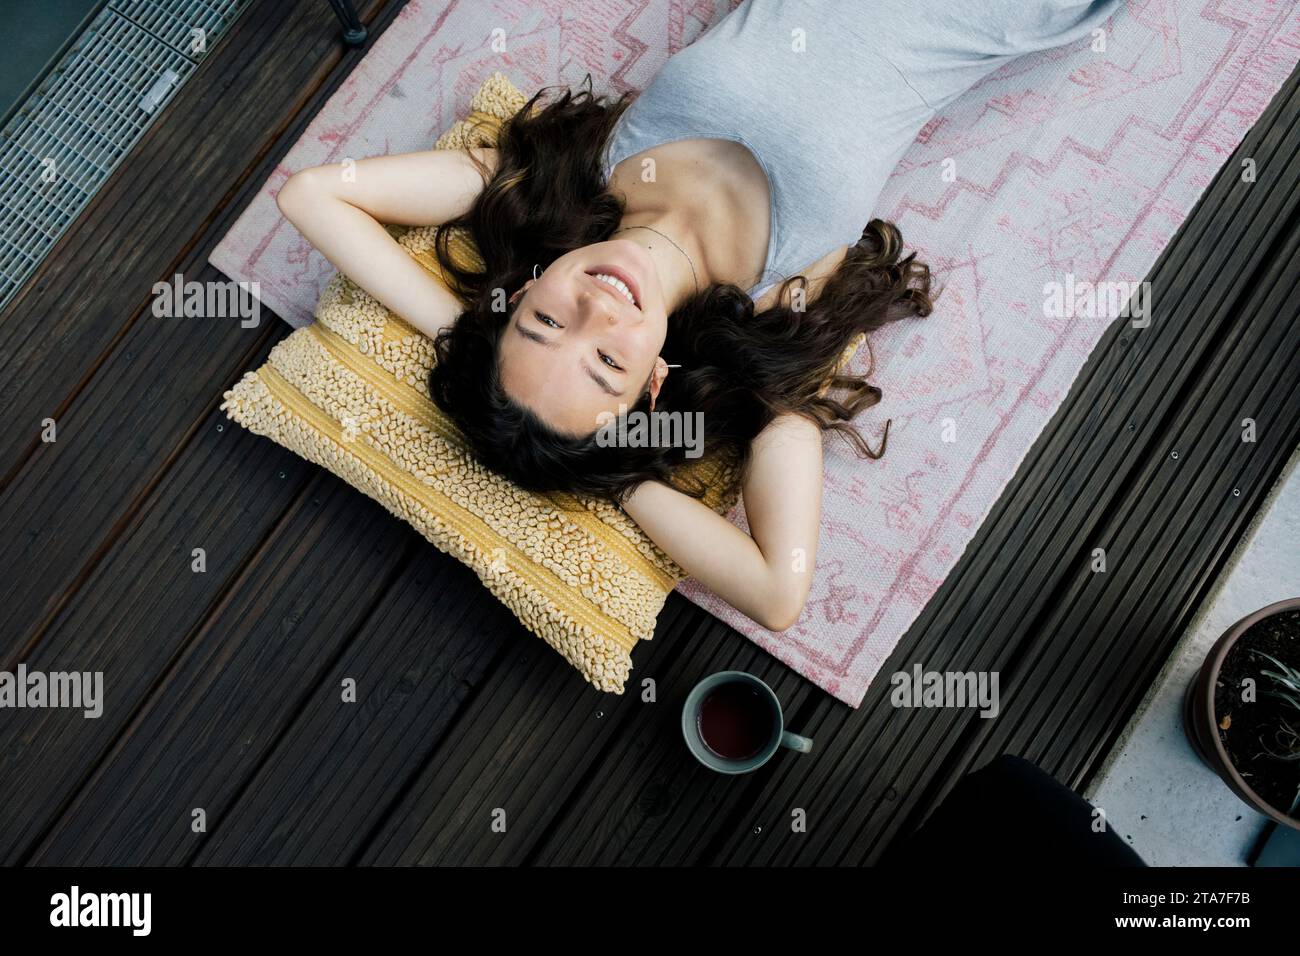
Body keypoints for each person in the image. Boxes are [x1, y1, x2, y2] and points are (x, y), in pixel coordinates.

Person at [276, 0, 1124, 632]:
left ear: (522, 291)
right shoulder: (777, 316)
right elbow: (776, 592)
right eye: (606, 362)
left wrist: (460, 335)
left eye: (542, 324)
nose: (595, 311)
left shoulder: (573, 182)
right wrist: (613, 470)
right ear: (653, 383)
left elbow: (313, 195)